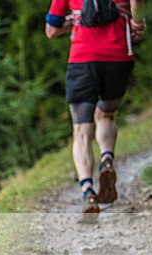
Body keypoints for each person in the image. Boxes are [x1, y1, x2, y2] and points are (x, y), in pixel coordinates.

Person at [45, 0, 146, 223]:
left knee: (81, 130)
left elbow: (51, 30)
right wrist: (137, 23)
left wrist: (73, 21)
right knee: (106, 114)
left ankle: (88, 192)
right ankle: (107, 159)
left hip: (82, 59)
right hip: (118, 57)